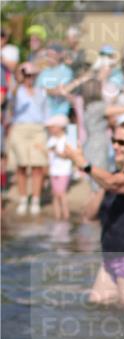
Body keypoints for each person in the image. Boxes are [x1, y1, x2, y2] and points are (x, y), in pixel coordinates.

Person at [61, 121, 124, 305]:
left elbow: (115, 183)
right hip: (110, 258)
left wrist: (85, 165)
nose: (115, 146)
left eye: (122, 142)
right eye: (113, 141)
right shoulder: (112, 177)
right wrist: (103, 186)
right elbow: (89, 215)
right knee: (97, 307)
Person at [9, 62, 48, 216]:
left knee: (38, 166)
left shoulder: (41, 92)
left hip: (38, 129)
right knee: (22, 165)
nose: (29, 78)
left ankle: (36, 199)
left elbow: (46, 112)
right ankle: (23, 198)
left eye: (32, 75)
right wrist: (19, 76)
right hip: (20, 128)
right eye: (27, 75)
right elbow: (10, 97)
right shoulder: (17, 90)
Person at [44, 114, 73, 221]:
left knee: (62, 194)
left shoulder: (68, 139)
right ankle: (57, 217)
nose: (50, 129)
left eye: (52, 127)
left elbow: (69, 156)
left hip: (64, 171)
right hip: (53, 171)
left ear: (61, 127)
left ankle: (66, 216)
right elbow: (48, 156)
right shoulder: (51, 139)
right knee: (55, 194)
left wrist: (56, 151)